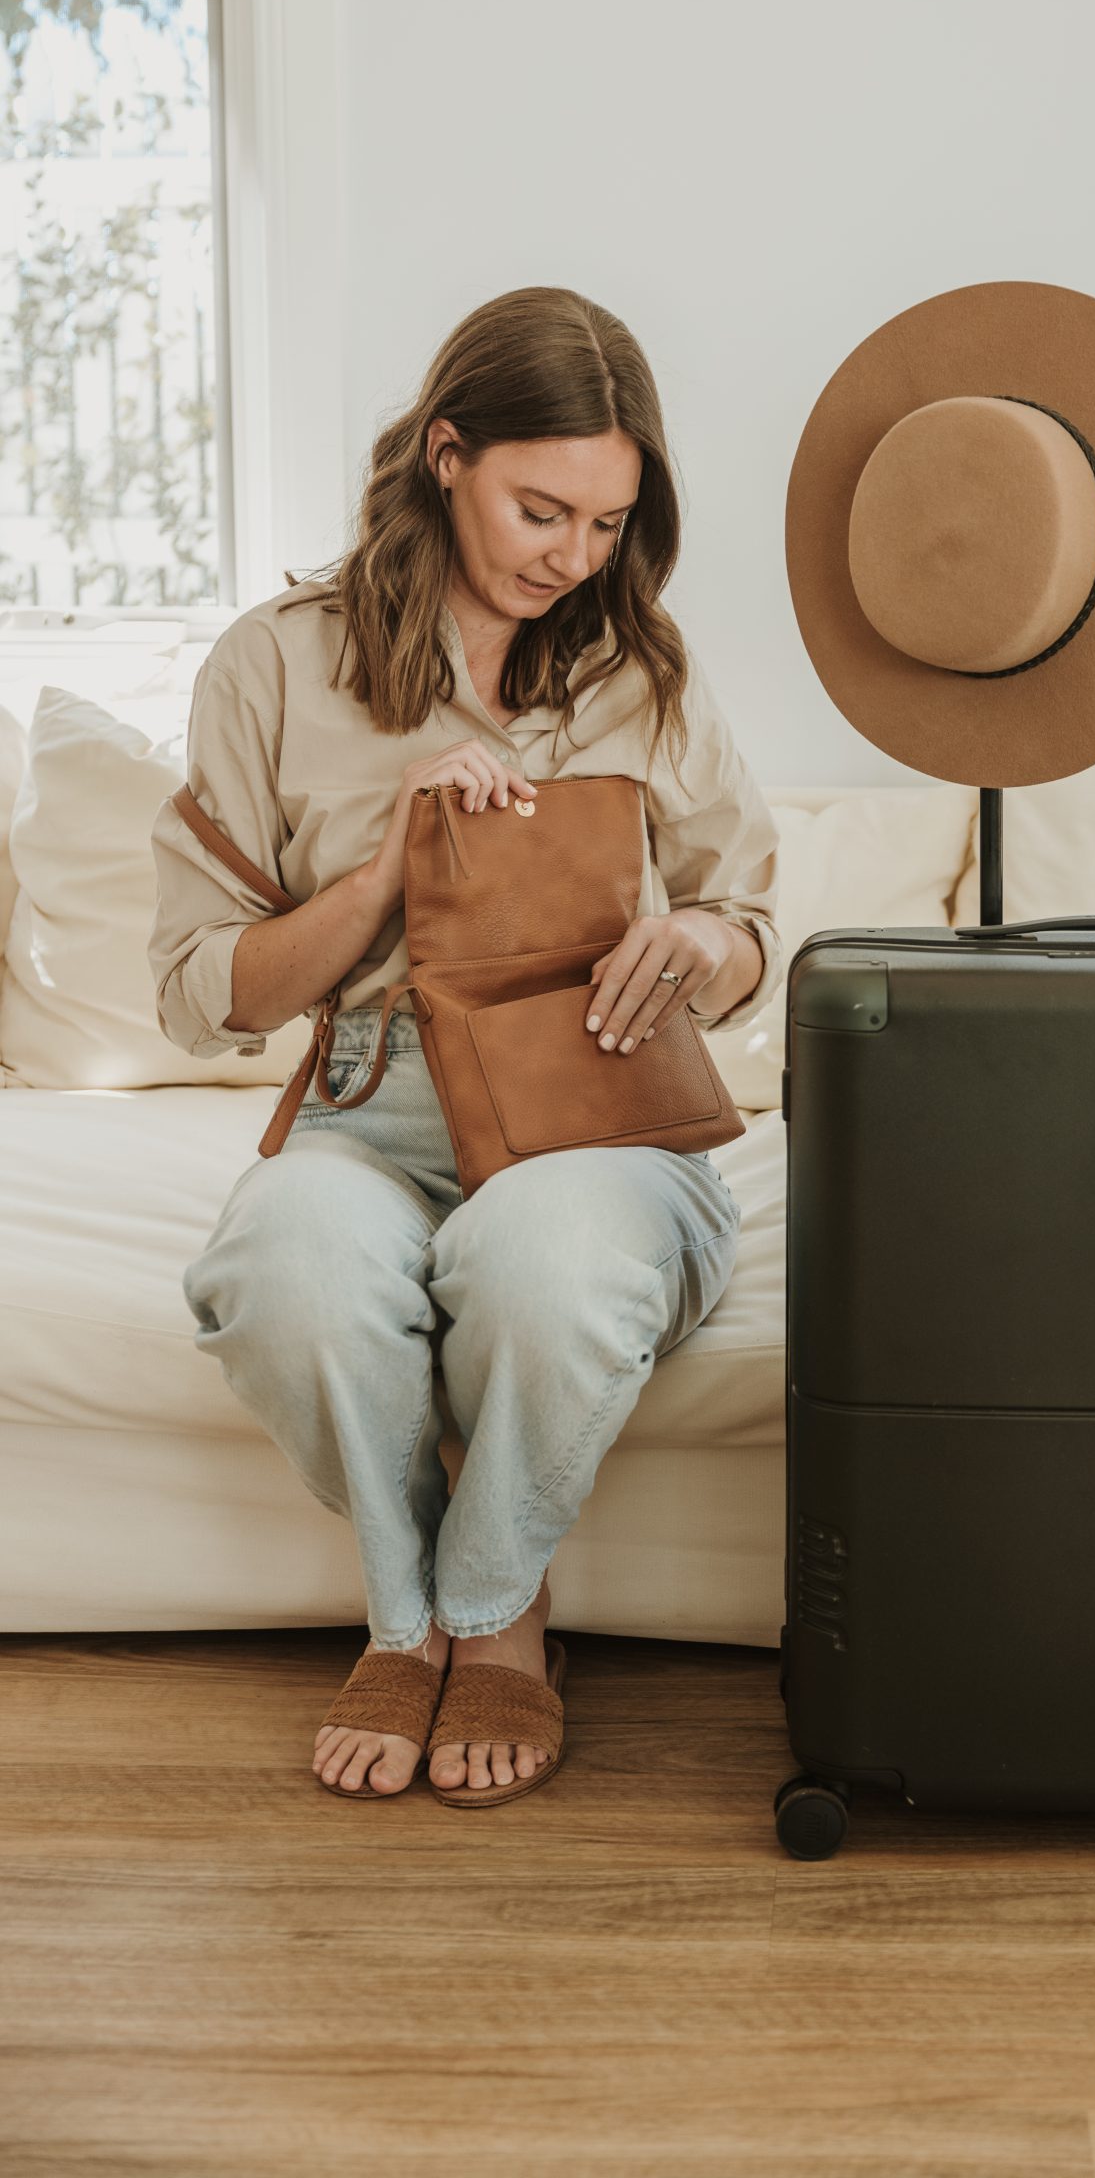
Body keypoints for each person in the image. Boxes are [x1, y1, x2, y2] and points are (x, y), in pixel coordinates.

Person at [149, 285, 781, 1806]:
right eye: (539, 508)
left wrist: (703, 942)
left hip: (601, 1119)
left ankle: (488, 1620)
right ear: (445, 453)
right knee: (286, 1266)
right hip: (366, 1106)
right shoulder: (273, 667)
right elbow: (198, 988)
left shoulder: (649, 673)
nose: (573, 558)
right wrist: (382, 868)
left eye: (608, 523)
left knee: (547, 1265)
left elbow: (751, 919)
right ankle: (413, 1608)